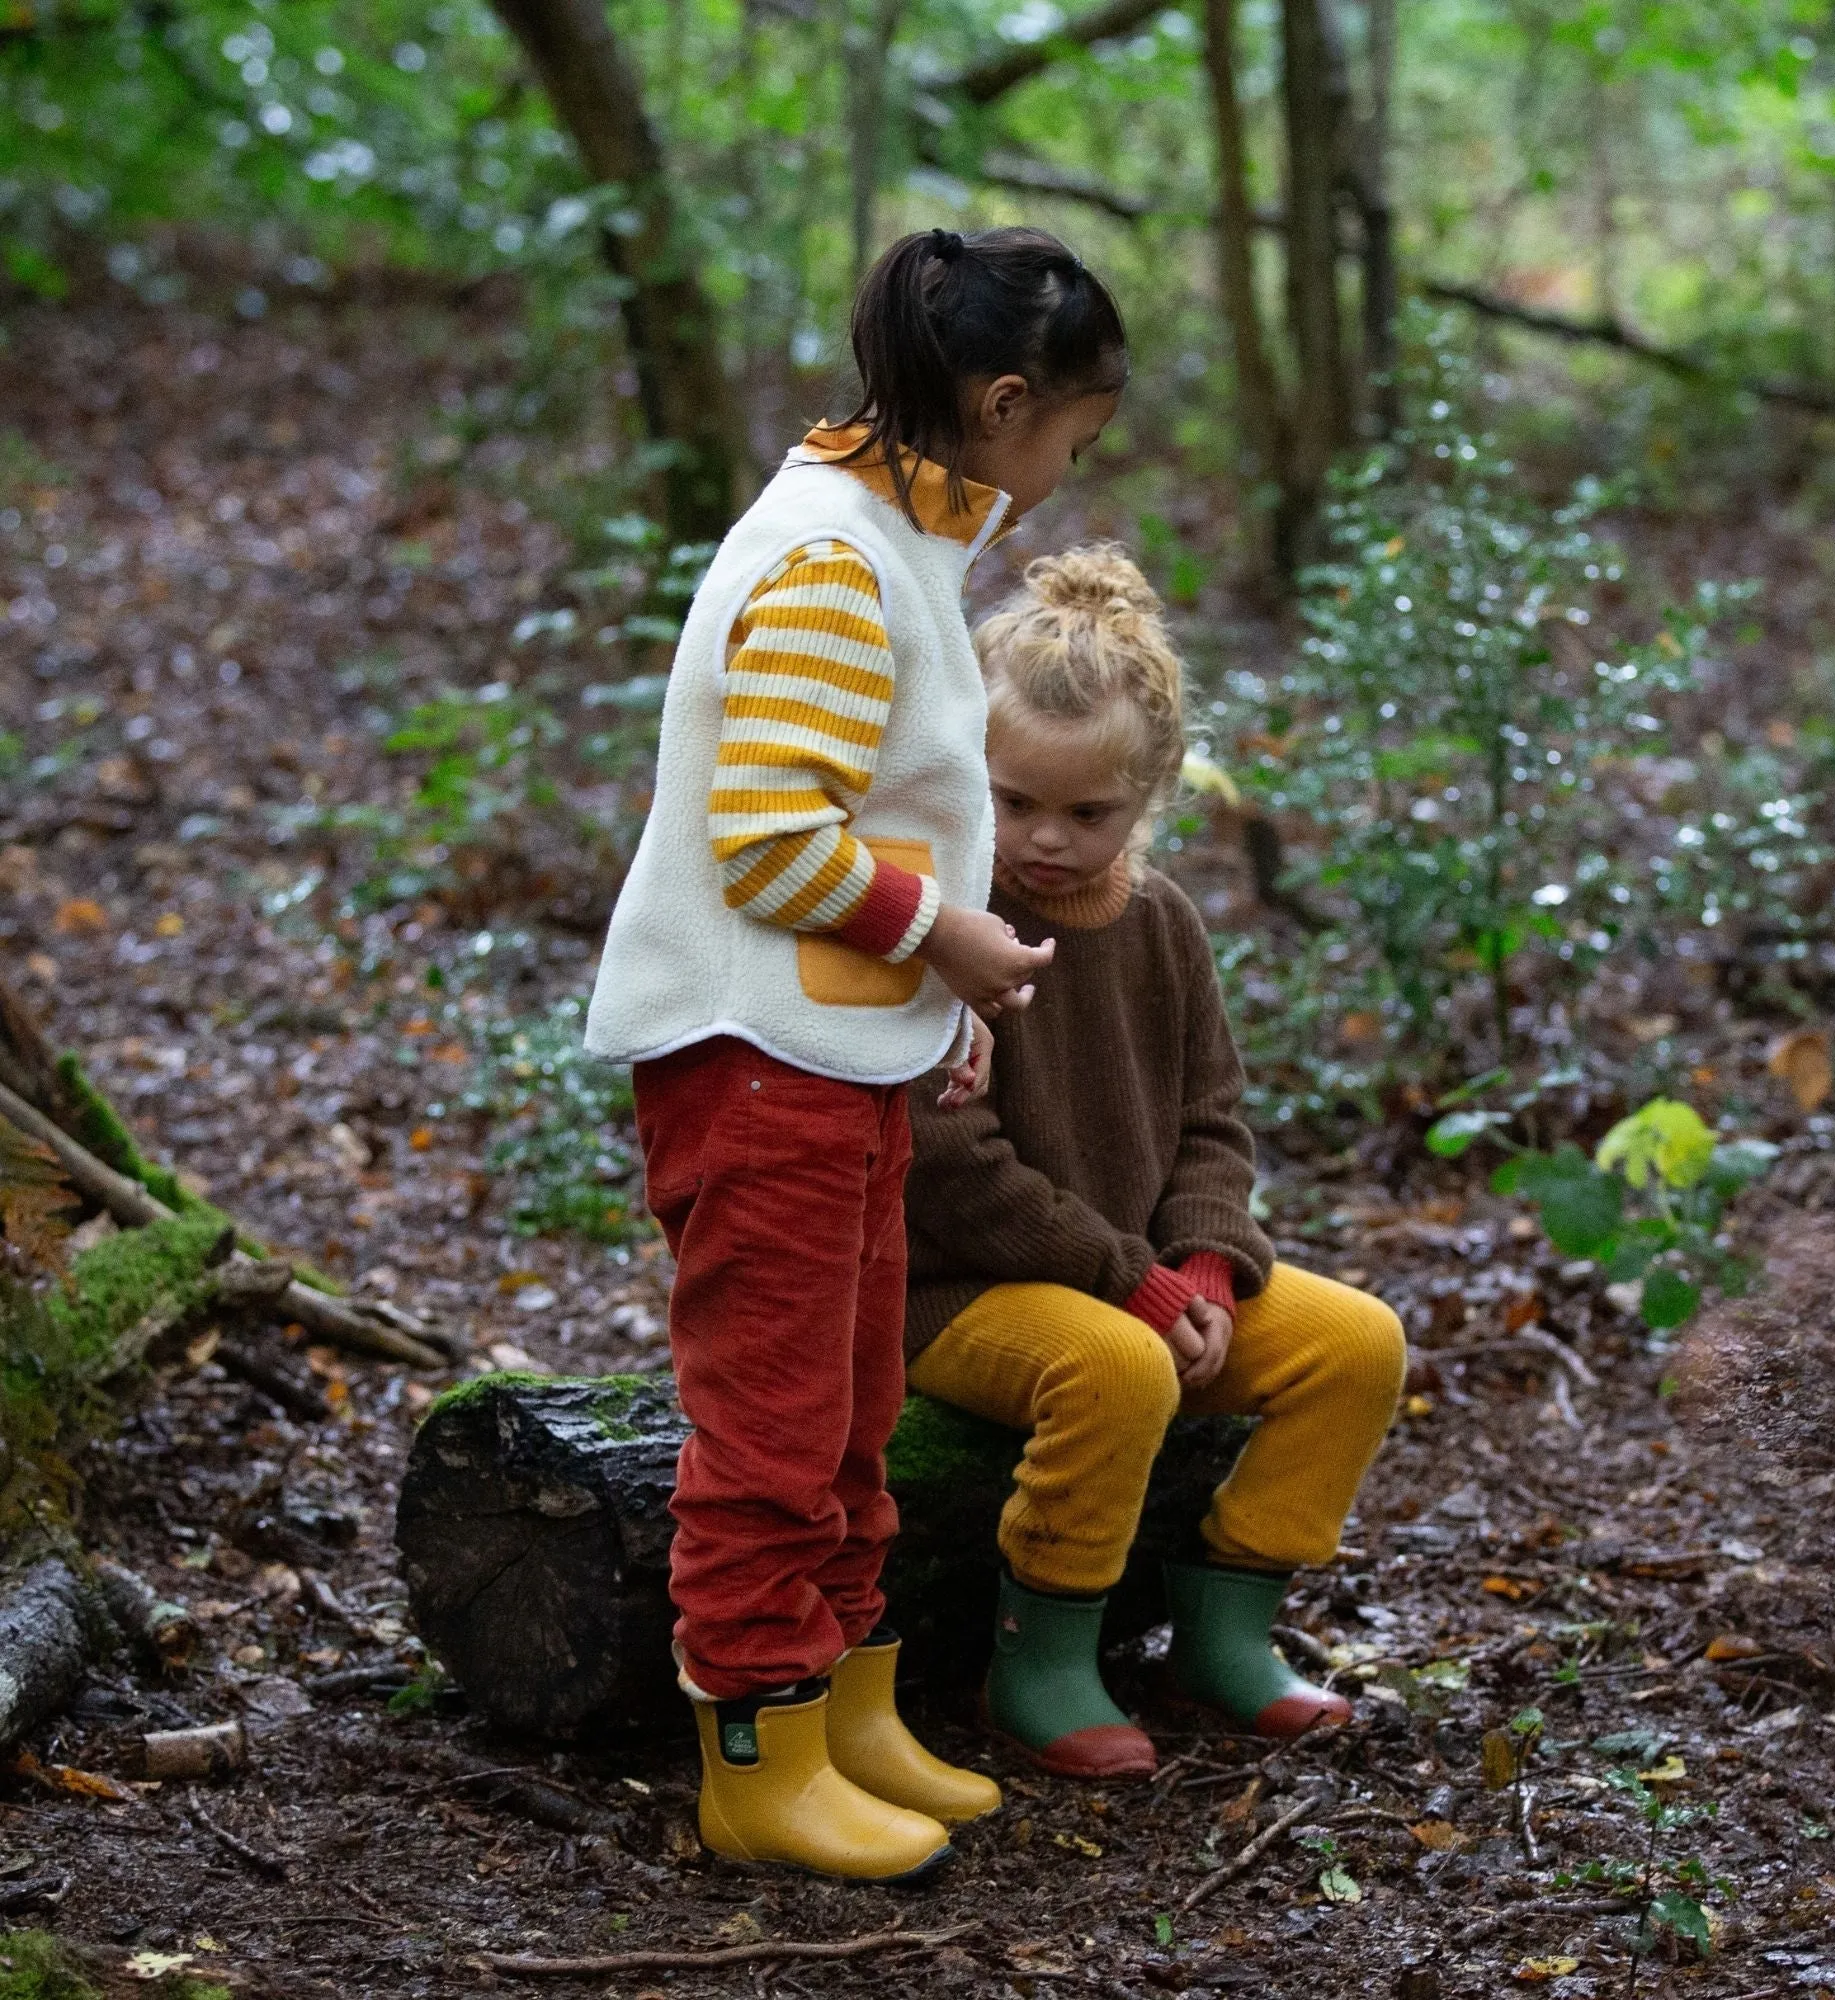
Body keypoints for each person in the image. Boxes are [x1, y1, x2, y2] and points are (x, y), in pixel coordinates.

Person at [584, 229, 1128, 1876]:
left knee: (849, 1416)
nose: (1066, 475)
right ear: (1004, 400)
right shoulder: (829, 553)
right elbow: (766, 838)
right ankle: (757, 1752)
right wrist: (943, 940)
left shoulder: (893, 530)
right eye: (1072, 441)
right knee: (771, 1425)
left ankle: (850, 1707)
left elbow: (886, 808)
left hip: (834, 1053)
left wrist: (932, 1011)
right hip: (754, 1065)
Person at [901, 546, 1407, 1780]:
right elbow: (947, 1161)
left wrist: (1206, 1266)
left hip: (1140, 1275)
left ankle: (1223, 1629)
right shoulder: (945, 916)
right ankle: (1040, 1658)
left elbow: (1209, 1120)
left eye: (1088, 813)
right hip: (954, 1292)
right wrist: (1130, 1281)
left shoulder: (1161, 922)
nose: (1044, 838)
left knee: (1355, 1343)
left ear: (1153, 794)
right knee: (1120, 1366)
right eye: (1013, 799)